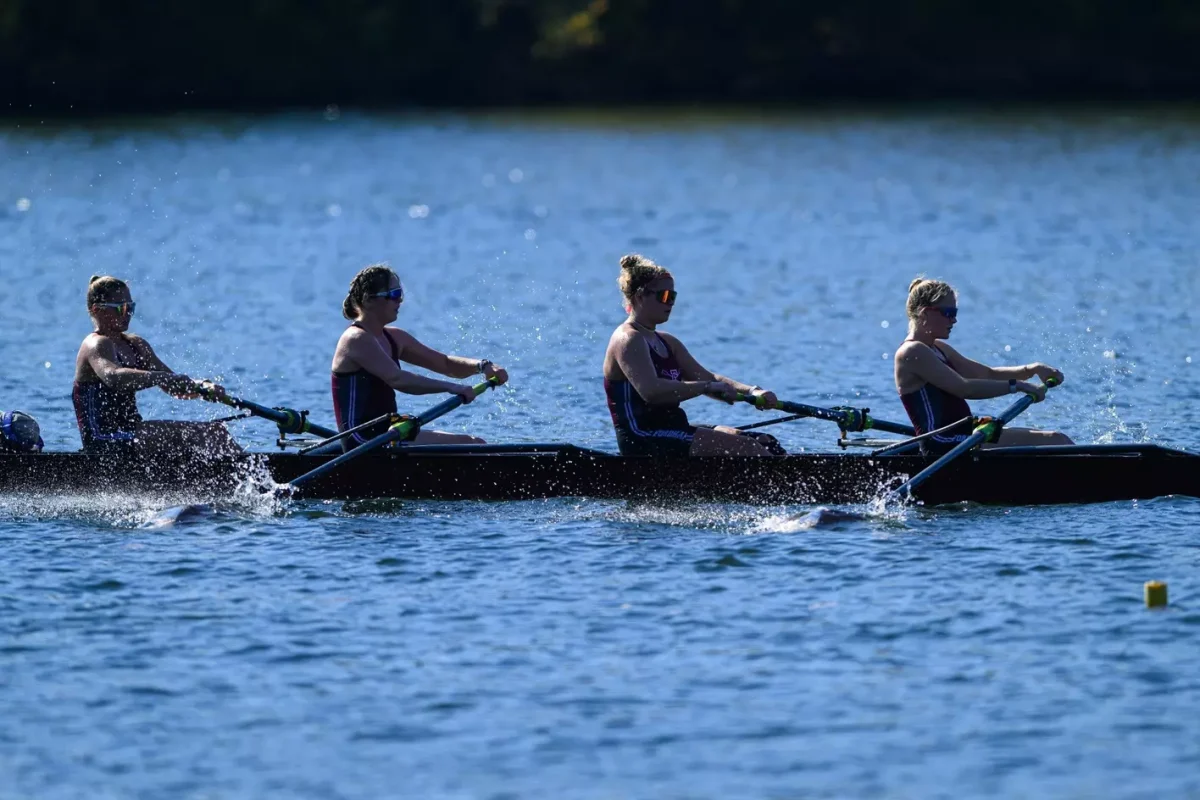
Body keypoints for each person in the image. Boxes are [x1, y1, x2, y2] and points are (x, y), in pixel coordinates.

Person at [602, 253, 783, 457]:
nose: (670, 303)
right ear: (639, 297)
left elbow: (710, 379)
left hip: (673, 429)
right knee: (748, 449)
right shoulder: (627, 339)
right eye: (663, 296)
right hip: (643, 437)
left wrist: (752, 391)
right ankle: (792, 486)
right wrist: (706, 387)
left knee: (764, 442)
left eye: (673, 296)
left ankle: (788, 482)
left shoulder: (668, 342)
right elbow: (652, 392)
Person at [331, 264, 509, 451]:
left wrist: (483, 366)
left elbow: (445, 364)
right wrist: (450, 387)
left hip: (389, 433)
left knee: (475, 443)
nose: (399, 300)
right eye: (393, 294)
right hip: (361, 443)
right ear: (368, 300)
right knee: (471, 445)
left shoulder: (394, 338)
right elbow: (398, 379)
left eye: (400, 293)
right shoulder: (355, 339)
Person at [894, 277, 1073, 452]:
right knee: (1057, 441)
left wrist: (1032, 369)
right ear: (925, 313)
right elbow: (964, 388)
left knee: (1058, 439)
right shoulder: (912, 352)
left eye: (955, 314)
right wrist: (1017, 386)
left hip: (964, 435)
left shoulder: (938, 348)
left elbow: (987, 374)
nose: (953, 320)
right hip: (944, 443)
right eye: (948, 313)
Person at [73, 276, 241, 457]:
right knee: (206, 434)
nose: (128, 313)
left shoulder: (136, 345)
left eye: (131, 307)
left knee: (216, 432)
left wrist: (202, 387)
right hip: (103, 440)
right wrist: (159, 377)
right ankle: (252, 479)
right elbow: (113, 377)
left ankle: (242, 477)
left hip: (133, 434)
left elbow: (174, 387)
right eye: (121, 308)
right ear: (97, 310)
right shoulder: (95, 344)